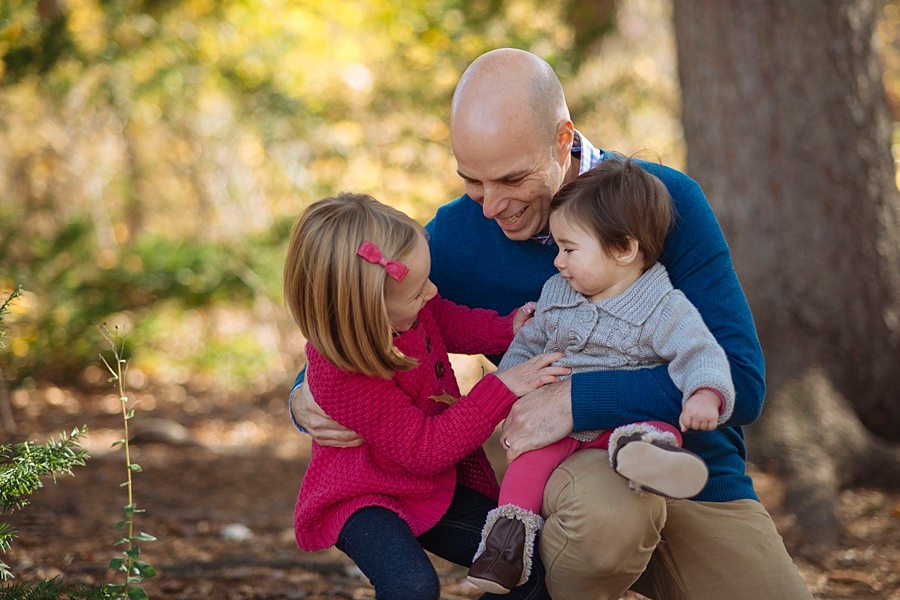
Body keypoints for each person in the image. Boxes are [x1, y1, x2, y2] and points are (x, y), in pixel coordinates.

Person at [292, 49, 813, 600]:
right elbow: (365, 307)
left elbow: (742, 382)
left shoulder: (660, 200)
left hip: (696, 472)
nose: (491, 206)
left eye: (511, 178)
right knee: (609, 520)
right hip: (567, 471)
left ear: (563, 138)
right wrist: (305, 392)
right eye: (472, 181)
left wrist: (576, 398)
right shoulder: (454, 238)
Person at [466, 157, 734, 594]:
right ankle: (505, 546)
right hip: (559, 433)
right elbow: (529, 346)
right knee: (527, 464)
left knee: (652, 428)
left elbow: (700, 352)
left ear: (624, 249)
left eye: (568, 249)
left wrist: (704, 394)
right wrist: (507, 388)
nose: (557, 262)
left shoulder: (663, 306)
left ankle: (647, 461)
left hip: (625, 422)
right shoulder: (558, 293)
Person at [284, 192, 567, 600]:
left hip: (424, 486)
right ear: (368, 311)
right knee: (411, 586)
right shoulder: (342, 374)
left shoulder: (408, 310)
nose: (431, 293)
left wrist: (508, 330)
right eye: (418, 292)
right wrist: (501, 388)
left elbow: (447, 319)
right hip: (362, 495)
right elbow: (424, 448)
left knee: (521, 564)